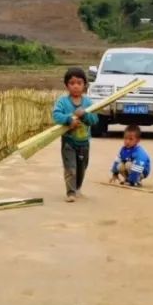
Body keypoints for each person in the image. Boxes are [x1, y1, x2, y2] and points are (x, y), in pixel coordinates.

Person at [52, 67, 99, 203]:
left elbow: (94, 120)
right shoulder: (63, 102)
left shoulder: (88, 103)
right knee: (70, 168)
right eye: (72, 83)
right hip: (69, 141)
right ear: (67, 85)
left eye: (79, 83)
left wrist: (84, 115)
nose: (76, 86)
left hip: (84, 142)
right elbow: (56, 115)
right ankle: (70, 192)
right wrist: (69, 120)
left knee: (82, 168)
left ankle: (77, 188)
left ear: (84, 85)